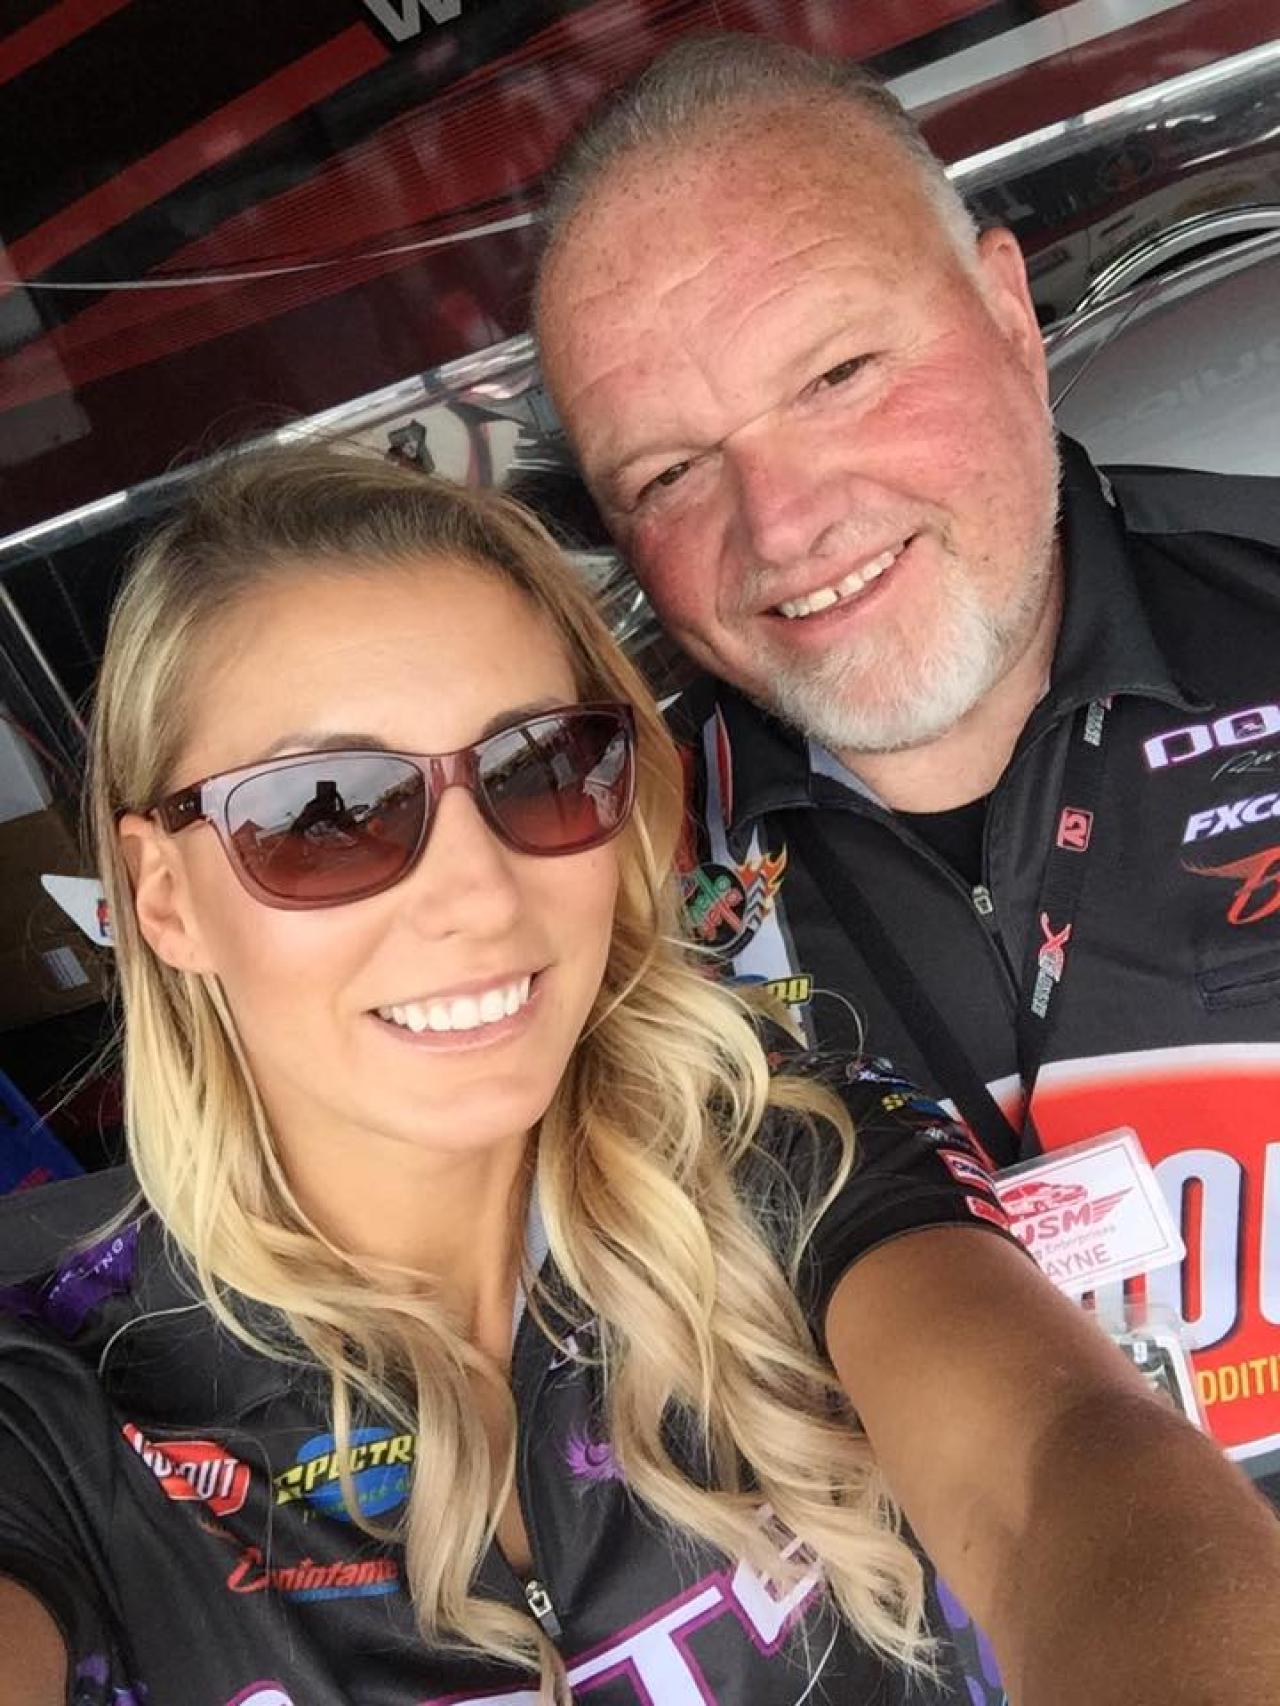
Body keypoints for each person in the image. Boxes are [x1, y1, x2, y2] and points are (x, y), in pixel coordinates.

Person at [1, 448, 1278, 1706]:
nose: (478, 891)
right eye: (322, 813)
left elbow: (1062, 1472)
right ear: (164, 895)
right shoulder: (58, 1389)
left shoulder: (788, 1152)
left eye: (538, 768)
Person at [533, 32, 1280, 1500]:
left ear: (1005, 311)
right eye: (670, 472)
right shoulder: (600, 901)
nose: (783, 523)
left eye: (837, 373)